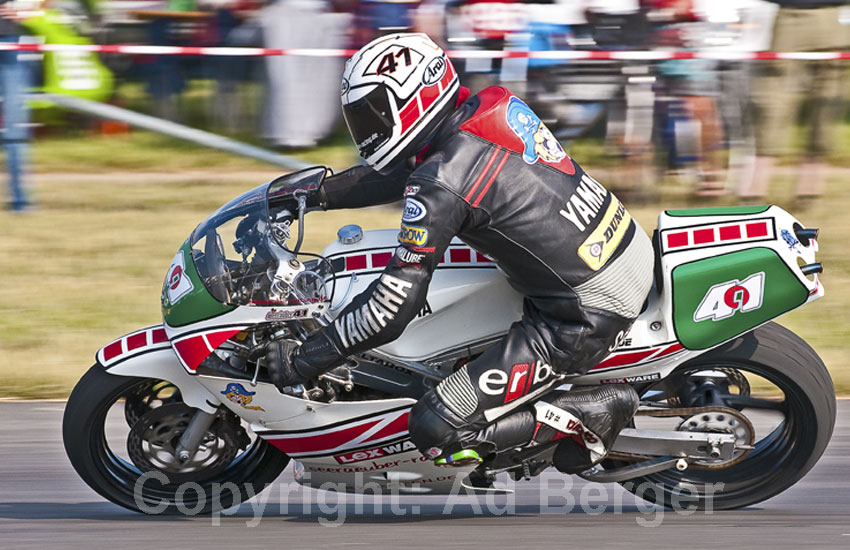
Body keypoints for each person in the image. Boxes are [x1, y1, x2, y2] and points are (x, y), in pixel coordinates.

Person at [265, 33, 654, 475]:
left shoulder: (441, 184)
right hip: (617, 248)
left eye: (373, 113)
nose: (366, 130)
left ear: (412, 99)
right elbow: (419, 171)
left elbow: (391, 308)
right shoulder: (493, 106)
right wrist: (314, 193)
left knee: (435, 423)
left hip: (582, 313)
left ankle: (594, 412)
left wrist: (308, 357)